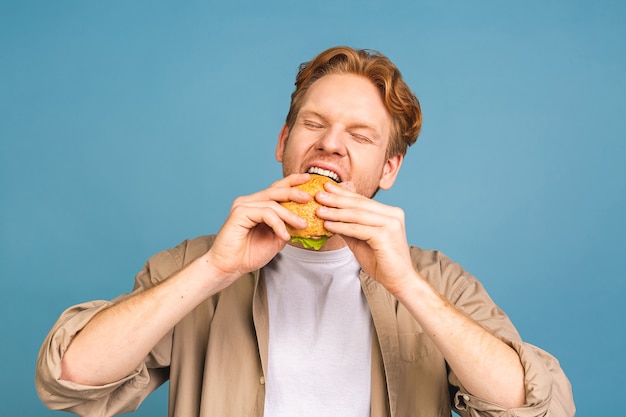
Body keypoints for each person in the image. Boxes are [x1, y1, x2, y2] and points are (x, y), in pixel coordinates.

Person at [36, 46, 575, 417]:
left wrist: (407, 287)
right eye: (314, 124)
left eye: (360, 135)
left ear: (389, 169)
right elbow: (68, 379)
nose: (331, 144)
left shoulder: (439, 281)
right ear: (283, 142)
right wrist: (215, 270)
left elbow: (536, 406)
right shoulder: (193, 265)